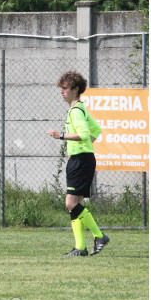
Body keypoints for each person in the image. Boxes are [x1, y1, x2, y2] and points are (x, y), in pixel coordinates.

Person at [47, 71, 109, 257]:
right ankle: (80, 248)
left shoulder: (76, 111)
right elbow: (96, 130)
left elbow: (83, 134)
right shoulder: (79, 108)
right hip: (80, 159)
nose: (62, 92)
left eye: (65, 88)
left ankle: (99, 236)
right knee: (75, 204)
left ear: (75, 89)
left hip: (81, 161)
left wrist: (62, 136)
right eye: (61, 89)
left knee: (71, 203)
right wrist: (81, 148)